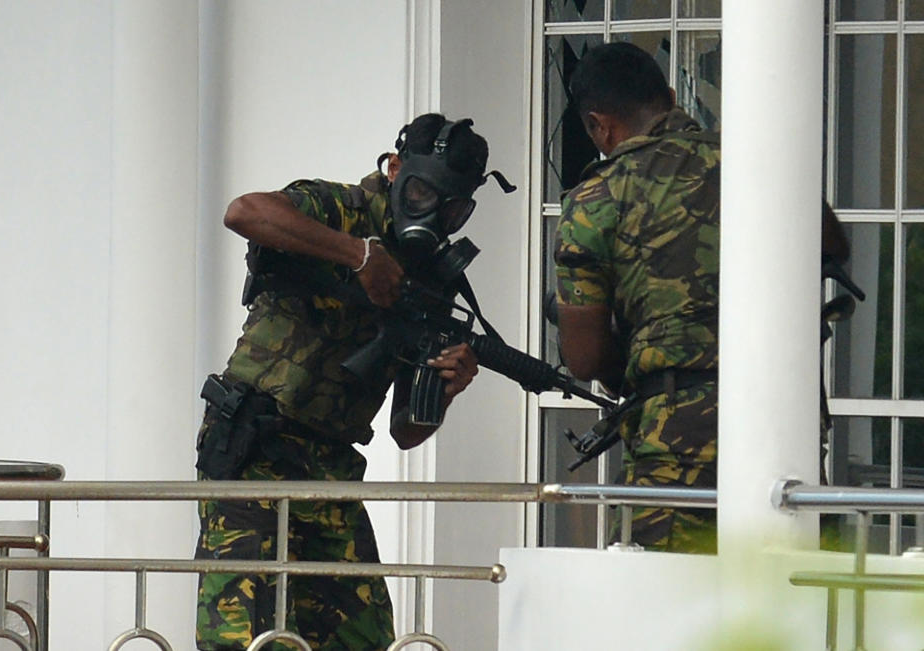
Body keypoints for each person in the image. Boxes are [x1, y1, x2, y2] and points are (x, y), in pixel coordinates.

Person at [195, 114, 509, 650]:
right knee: (245, 634)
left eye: (452, 207)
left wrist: (446, 389)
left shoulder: (431, 277)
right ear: (393, 170)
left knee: (360, 637)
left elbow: (406, 432)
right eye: (421, 192)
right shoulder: (340, 210)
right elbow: (244, 212)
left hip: (332, 469)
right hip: (256, 451)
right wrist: (359, 254)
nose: (432, 213)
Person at [553, 42, 721, 554]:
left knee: (657, 610)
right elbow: (834, 247)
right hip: (789, 418)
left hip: (677, 441)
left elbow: (583, 358)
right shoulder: (756, 163)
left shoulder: (593, 203)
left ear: (598, 126)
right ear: (670, 97)